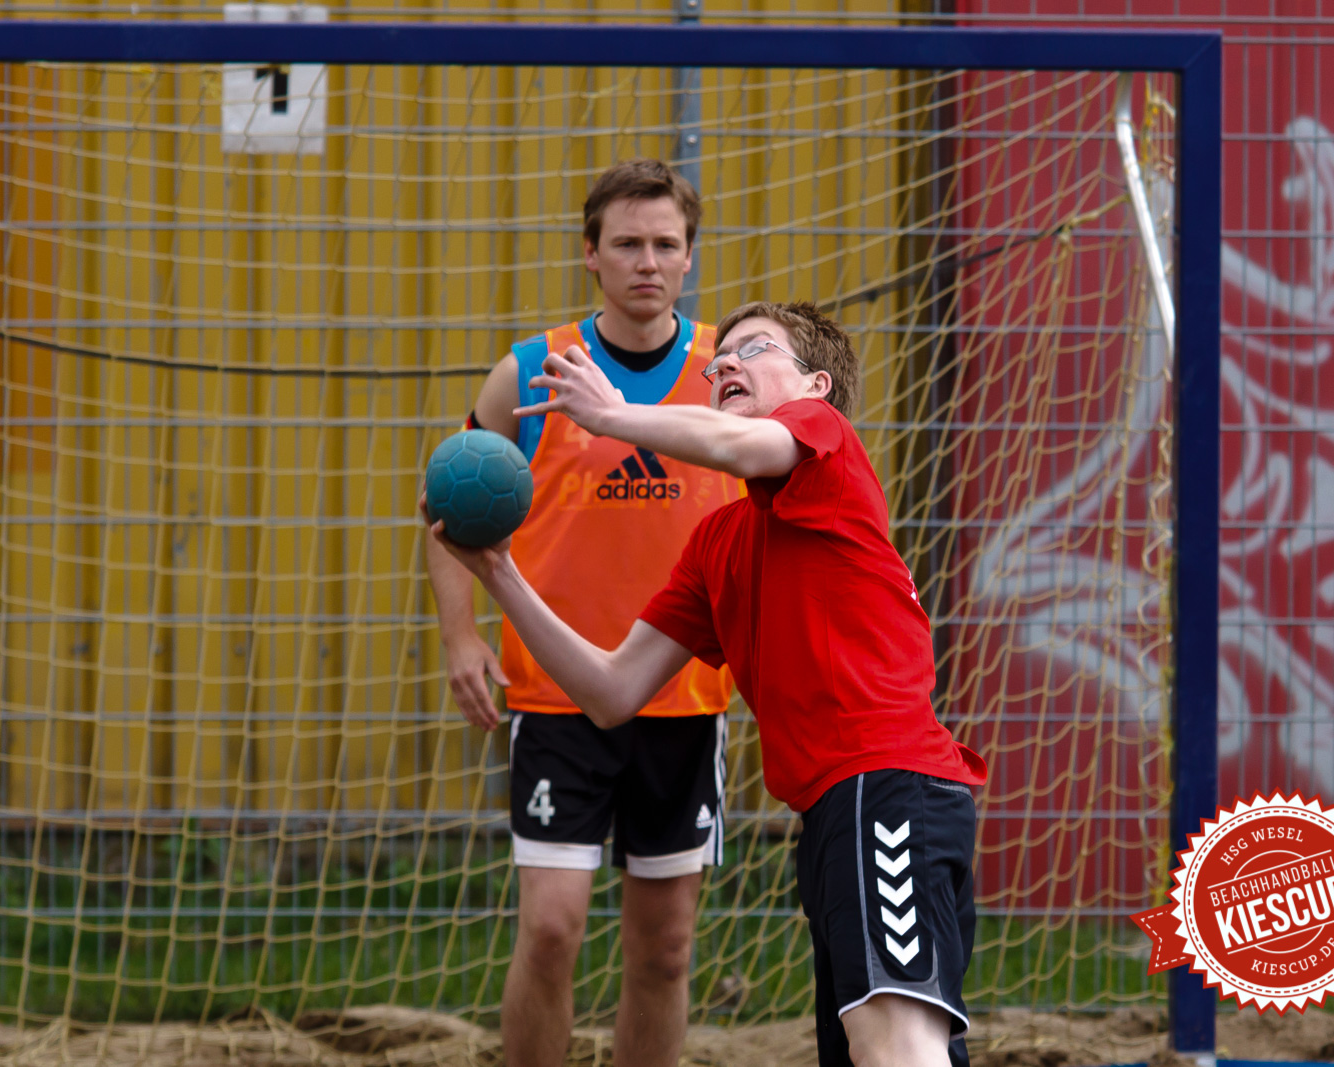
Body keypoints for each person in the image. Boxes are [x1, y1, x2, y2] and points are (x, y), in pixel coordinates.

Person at [427, 301, 989, 1067]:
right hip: (832, 811)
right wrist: (499, 573)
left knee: (896, 1048)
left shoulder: (828, 447)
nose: (724, 362)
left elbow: (735, 443)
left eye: (753, 349)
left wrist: (616, 416)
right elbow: (612, 689)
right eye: (718, 355)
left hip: (886, 786)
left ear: (815, 385)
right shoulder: (719, 543)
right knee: (883, 1048)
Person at [423, 159, 741, 1067]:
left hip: (685, 697)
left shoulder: (726, 373)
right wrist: (461, 634)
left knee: (665, 946)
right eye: (629, 244)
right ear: (591, 255)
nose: (648, 261)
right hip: (559, 699)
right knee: (554, 928)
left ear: (689, 259)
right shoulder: (530, 372)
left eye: (666, 245)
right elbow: (446, 509)